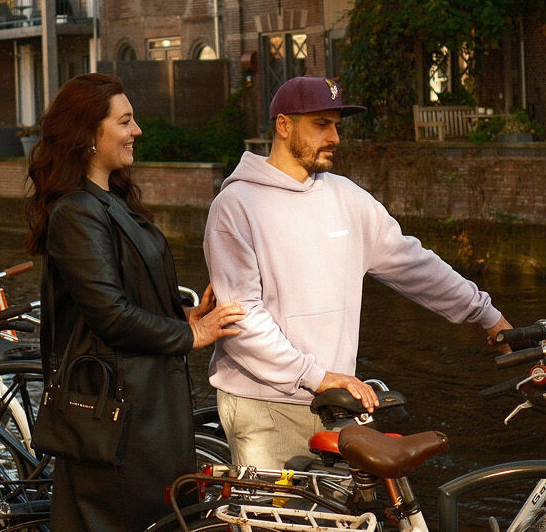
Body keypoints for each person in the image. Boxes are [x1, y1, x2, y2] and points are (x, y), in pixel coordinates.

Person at [0, 73, 244, 532]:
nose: (136, 130)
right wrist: (191, 336)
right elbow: (106, 313)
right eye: (124, 120)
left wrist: (189, 314)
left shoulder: (110, 203)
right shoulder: (76, 212)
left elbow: (132, 302)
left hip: (143, 407)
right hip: (114, 418)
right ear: (89, 132)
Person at [204, 75, 512, 470]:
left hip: (335, 401)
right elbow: (241, 318)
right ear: (284, 126)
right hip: (265, 407)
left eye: (336, 125)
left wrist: (487, 315)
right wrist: (314, 374)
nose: (335, 137)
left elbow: (413, 264)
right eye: (321, 125)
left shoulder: (346, 197)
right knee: (285, 530)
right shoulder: (235, 206)